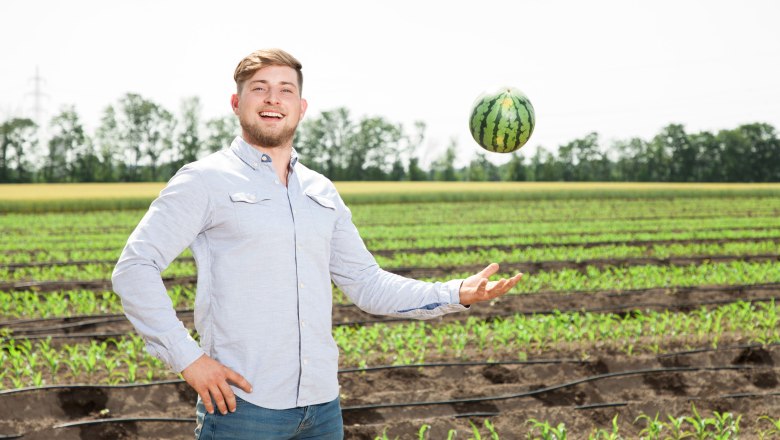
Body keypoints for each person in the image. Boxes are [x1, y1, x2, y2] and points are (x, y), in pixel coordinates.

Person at [111, 48, 524, 440]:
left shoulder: (321, 191)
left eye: (285, 89)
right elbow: (135, 267)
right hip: (245, 408)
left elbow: (366, 283)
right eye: (259, 88)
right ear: (236, 103)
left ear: (301, 108)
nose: (273, 98)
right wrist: (188, 359)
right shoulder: (205, 180)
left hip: (322, 408)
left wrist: (456, 292)